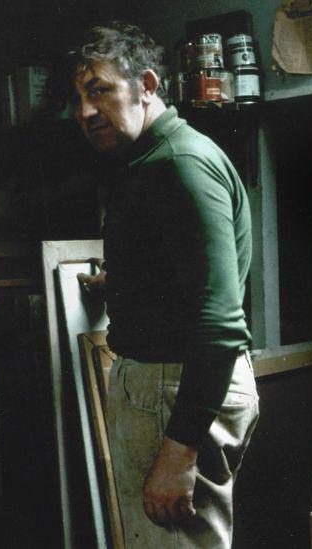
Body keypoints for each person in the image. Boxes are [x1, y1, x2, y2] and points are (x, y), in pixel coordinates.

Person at [69, 21, 259, 548]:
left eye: (100, 90)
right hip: (171, 387)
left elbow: (222, 323)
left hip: (172, 391)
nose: (85, 112)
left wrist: (179, 451)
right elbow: (189, 277)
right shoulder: (156, 159)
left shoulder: (179, 164)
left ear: (148, 85)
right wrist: (121, 280)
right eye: (79, 97)